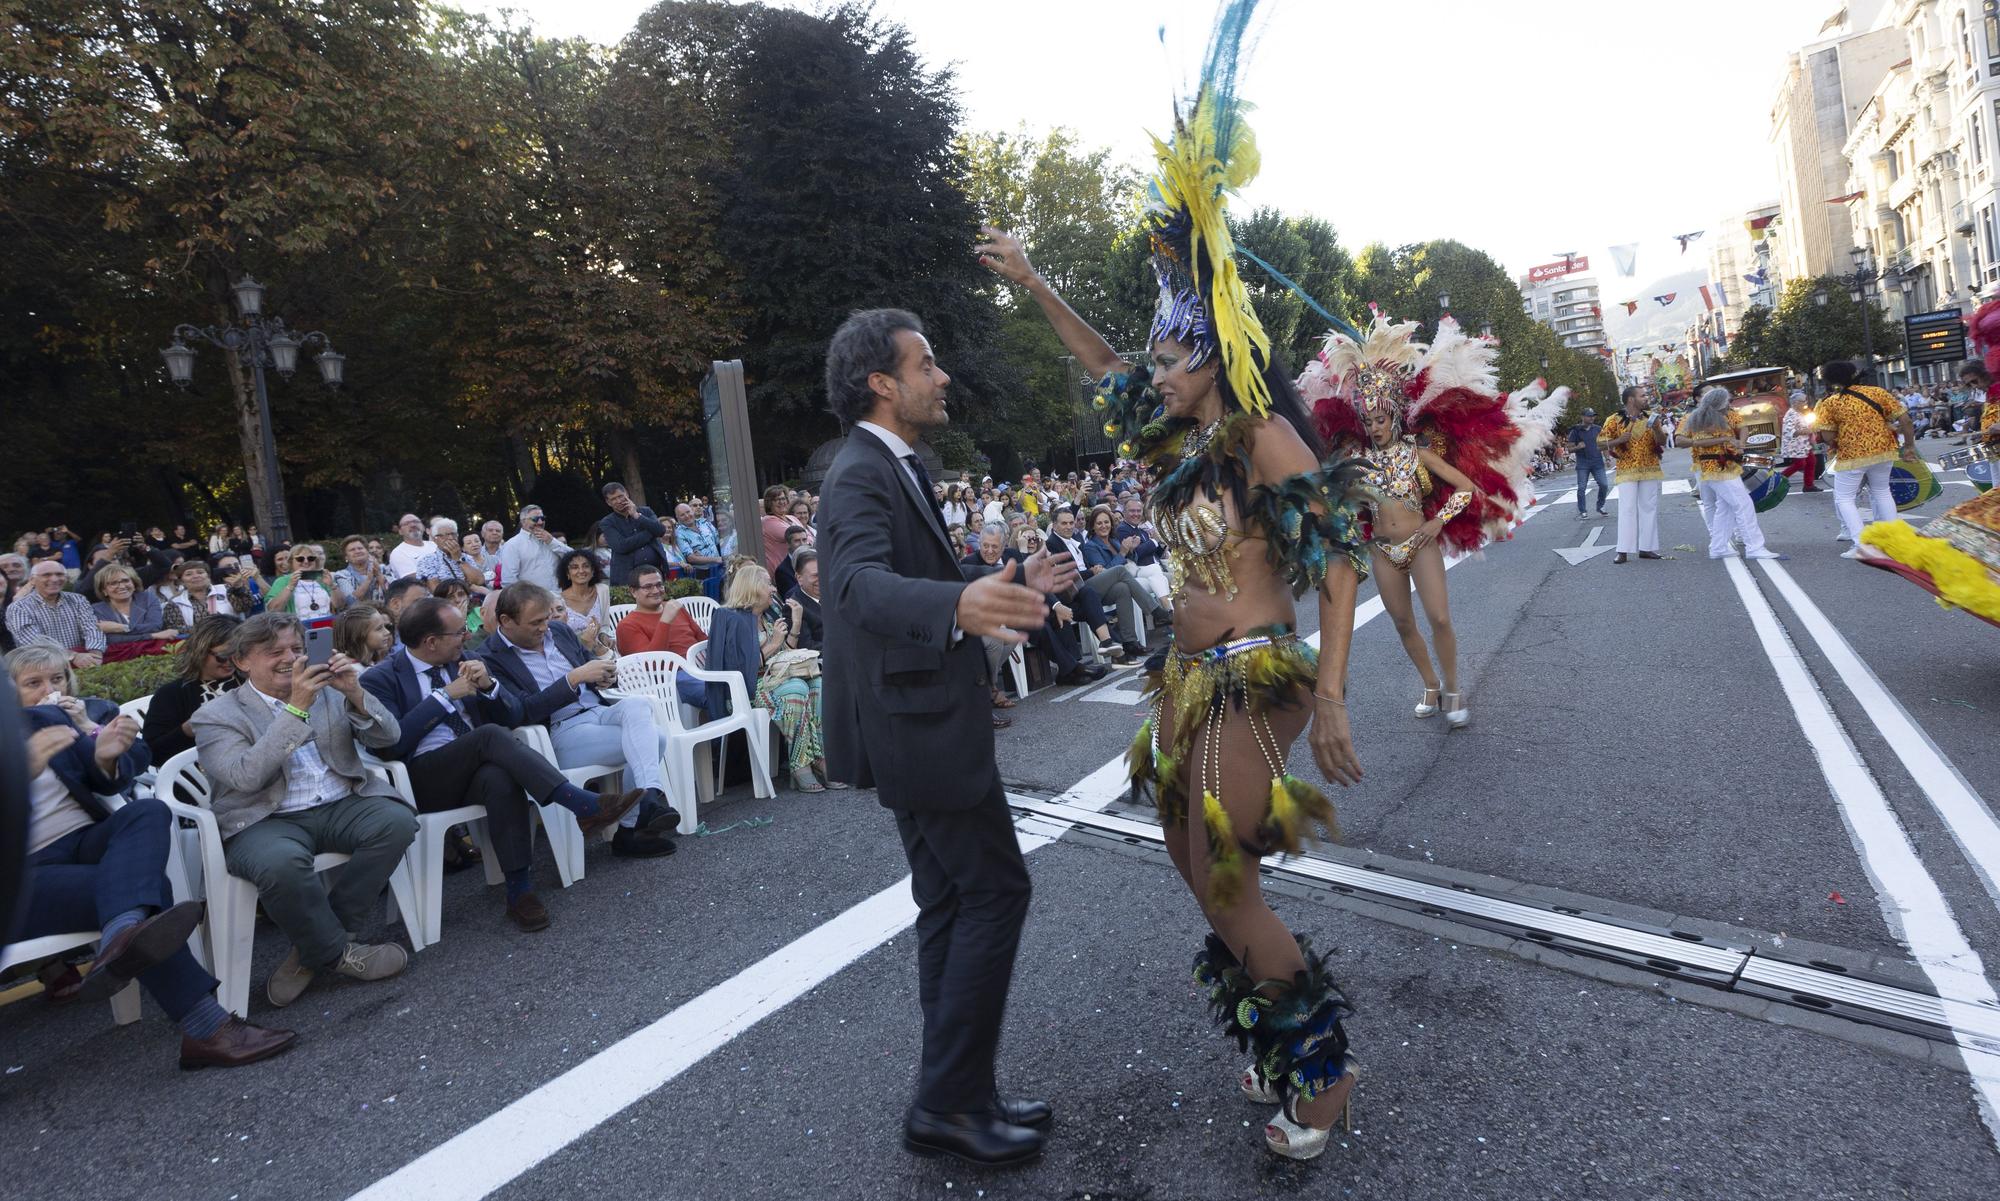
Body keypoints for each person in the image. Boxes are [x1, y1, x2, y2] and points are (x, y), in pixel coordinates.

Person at [979, 61, 1380, 1156]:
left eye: (1167, 356)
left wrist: (1333, 696)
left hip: (1257, 667)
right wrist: (1027, 277)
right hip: (1184, 674)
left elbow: (1339, 559)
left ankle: (1325, 1075)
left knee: (1228, 876)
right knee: (1186, 863)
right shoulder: (1170, 434)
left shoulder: (1257, 437)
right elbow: (1103, 361)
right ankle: (1266, 1030)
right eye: (1153, 358)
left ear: (1208, 356)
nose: (1149, 374)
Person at [819, 305, 1080, 1165]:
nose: (944, 377)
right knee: (996, 892)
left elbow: (920, 578)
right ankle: (947, 1102)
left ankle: (960, 1092)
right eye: (926, 364)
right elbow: (854, 585)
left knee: (950, 902)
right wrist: (956, 604)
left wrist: (998, 582)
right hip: (918, 728)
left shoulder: (893, 464)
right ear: (882, 383)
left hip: (918, 722)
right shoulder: (859, 471)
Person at [18, 687, 293, 1066]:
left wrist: (105, 758)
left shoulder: (41, 720)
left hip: (83, 842)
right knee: (148, 894)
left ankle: (122, 935)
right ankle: (206, 1027)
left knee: (146, 811)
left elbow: (116, 780)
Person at [360, 597, 642, 932]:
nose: (467, 637)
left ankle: (519, 892)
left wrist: (489, 687)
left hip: (477, 769)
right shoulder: (379, 679)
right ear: (430, 642)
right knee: (489, 737)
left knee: (499, 779)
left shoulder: (467, 659)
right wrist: (444, 696)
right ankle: (582, 804)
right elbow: (391, 744)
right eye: (459, 632)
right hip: (423, 779)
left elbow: (515, 715)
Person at [189, 613, 418, 1007]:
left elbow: (390, 738)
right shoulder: (215, 715)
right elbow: (245, 777)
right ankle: (338, 954)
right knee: (279, 865)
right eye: (274, 652)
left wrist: (355, 693)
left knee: (395, 822)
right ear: (242, 661)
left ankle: (312, 950)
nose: (289, 658)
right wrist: (295, 709)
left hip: (339, 801)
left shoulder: (328, 689)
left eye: (297, 648)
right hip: (264, 817)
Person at [476, 582, 680, 856]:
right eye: (535, 623)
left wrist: (607, 676)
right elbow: (520, 712)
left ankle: (648, 800)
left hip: (597, 711)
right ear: (506, 621)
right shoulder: (490, 657)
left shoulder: (558, 631)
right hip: (558, 732)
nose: (543, 628)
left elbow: (591, 668)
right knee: (655, 738)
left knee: (639, 704)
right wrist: (573, 679)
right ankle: (635, 824)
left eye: (546, 619)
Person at [1814, 359, 1916, 560]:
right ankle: (1893, 542)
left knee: (1844, 498)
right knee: (1882, 492)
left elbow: (1826, 436)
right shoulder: (1878, 392)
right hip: (1884, 451)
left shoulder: (1831, 402)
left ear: (1832, 381)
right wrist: (1910, 446)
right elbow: (1905, 420)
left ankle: (1861, 544)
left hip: (1852, 455)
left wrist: (1839, 439)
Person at [1679, 385, 1782, 561]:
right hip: (1715, 466)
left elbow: (1742, 428)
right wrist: (1725, 439)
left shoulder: (1724, 415)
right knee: (1743, 504)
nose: (1729, 403)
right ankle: (1754, 547)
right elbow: (1681, 441)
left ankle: (1718, 547)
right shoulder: (1698, 418)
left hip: (1723, 465)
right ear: (1719, 402)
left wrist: (1738, 444)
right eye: (1726, 400)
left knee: (1725, 508)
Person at [141, 615, 242, 764]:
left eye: (238, 654)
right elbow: (151, 755)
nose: (230, 662)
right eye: (222, 657)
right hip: (197, 779)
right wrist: (187, 730)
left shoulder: (250, 680)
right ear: (200, 651)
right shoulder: (172, 694)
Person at [1081, 505, 1169, 645]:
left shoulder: (1113, 541)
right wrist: (1122, 552)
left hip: (1118, 585)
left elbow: (1131, 562)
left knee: (1124, 588)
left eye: (1106, 522)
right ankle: (1155, 611)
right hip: (1098, 588)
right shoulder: (1091, 546)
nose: (1104, 526)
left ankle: (1130, 642)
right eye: (1099, 523)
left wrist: (1131, 550)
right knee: (1120, 571)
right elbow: (1104, 572)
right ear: (1093, 527)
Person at [1600, 386, 1669, 564]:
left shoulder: (1651, 418)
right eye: (1642, 395)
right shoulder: (1614, 419)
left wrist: (1657, 429)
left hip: (1650, 467)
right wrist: (1619, 440)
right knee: (1627, 509)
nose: (1646, 398)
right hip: (1626, 469)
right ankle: (1623, 550)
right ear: (1631, 399)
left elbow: (1662, 442)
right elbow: (1600, 443)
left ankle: (1647, 548)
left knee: (1649, 508)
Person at [8, 559, 105, 669]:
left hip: (83, 664)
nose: (54, 579)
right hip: (43, 667)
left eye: (59, 574)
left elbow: (92, 627)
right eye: (46, 575)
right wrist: (74, 656)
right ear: (32, 580)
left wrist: (95, 654)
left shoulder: (78, 600)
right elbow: (33, 641)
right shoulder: (19, 607)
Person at [91, 563, 181, 660]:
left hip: (152, 653)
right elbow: (111, 639)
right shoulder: (97, 609)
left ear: (134, 584)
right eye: (113, 583)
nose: (121, 586)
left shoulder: (148, 598)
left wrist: (122, 628)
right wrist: (153, 635)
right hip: (118, 658)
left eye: (125, 581)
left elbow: (155, 626)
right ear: (104, 590)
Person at [615, 564, 705, 658]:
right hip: (672, 671)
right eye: (648, 587)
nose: (656, 591)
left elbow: (702, 638)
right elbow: (652, 663)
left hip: (702, 666)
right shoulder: (627, 625)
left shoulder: (674, 607)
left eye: (659, 585)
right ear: (633, 592)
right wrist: (665, 622)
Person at [598, 482, 669, 586]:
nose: (618, 501)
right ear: (608, 502)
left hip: (657, 570)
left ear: (627, 494)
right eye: (613, 499)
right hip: (628, 576)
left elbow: (661, 530)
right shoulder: (607, 522)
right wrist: (651, 533)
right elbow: (621, 546)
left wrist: (637, 516)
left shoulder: (646, 512)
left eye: (620, 496)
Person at [498, 505, 572, 593]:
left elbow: (574, 557)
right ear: (523, 521)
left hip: (559, 597)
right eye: (535, 519)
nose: (540, 522)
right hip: (533, 601)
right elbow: (509, 581)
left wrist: (552, 542)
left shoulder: (551, 540)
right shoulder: (513, 544)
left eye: (542, 518)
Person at [553, 548, 613, 654]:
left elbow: (604, 625)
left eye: (586, 566)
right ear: (567, 573)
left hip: (601, 651)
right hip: (574, 655)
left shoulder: (602, 590)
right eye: (575, 567)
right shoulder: (557, 600)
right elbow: (558, 637)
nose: (581, 571)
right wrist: (585, 640)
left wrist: (603, 635)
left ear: (592, 571)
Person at [265, 542, 338, 627]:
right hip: (298, 631)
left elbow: (340, 605)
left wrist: (332, 586)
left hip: (327, 627)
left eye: (311, 558)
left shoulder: (322, 578)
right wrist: (290, 587)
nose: (306, 561)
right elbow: (273, 610)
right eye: (300, 559)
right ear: (291, 562)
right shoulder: (283, 581)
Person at [1567, 408, 1609, 519]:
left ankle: (1600, 506)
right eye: (1589, 416)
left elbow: (1604, 445)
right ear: (1583, 417)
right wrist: (1578, 447)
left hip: (1597, 462)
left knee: (1604, 485)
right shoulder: (1575, 431)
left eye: (1593, 415)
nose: (1592, 418)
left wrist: (1607, 458)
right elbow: (1569, 449)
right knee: (1581, 488)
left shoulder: (1598, 429)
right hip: (1583, 463)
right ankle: (1583, 511)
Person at [1777, 391, 1822, 493]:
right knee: (1800, 464)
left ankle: (1808, 485)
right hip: (1795, 445)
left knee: (1811, 461)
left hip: (1803, 444)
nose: (1805, 403)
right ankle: (1779, 478)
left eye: (1805, 400)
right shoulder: (1791, 414)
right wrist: (1809, 431)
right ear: (1795, 403)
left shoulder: (1799, 413)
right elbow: (1791, 431)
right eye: (1803, 401)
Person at [785, 548, 825, 652]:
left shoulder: (833, 594)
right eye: (815, 575)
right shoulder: (794, 607)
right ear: (799, 578)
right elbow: (807, 646)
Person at [332, 602, 395, 667]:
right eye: (379, 628)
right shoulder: (354, 670)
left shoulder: (372, 662)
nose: (387, 632)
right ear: (359, 636)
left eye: (385, 627)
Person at [332, 535, 388, 608]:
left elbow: (394, 593)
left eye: (360, 548)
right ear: (346, 557)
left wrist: (379, 575)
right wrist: (368, 580)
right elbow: (351, 602)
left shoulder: (383, 569)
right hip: (359, 617)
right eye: (352, 550)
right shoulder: (342, 575)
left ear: (367, 551)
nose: (357, 551)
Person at [760, 484, 800, 573]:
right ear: (769, 503)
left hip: (798, 566)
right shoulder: (768, 521)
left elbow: (807, 536)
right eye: (777, 500)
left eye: (783, 498)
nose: (782, 502)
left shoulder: (792, 518)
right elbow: (795, 536)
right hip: (783, 571)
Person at [385, 514, 433, 581]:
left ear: (423, 527)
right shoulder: (398, 553)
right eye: (407, 523)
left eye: (416, 521)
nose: (413, 525)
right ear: (400, 531)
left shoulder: (435, 545)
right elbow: (415, 580)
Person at [772, 525, 812, 598]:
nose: (802, 544)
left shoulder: (814, 562)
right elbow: (791, 597)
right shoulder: (782, 571)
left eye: (804, 540)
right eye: (797, 541)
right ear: (788, 544)